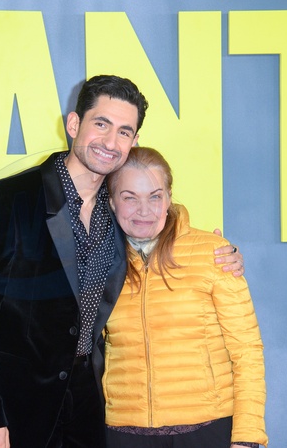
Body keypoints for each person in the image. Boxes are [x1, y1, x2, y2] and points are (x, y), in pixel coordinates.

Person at [0, 75, 244, 448]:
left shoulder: (121, 209)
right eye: (101, 124)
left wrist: (222, 253)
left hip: (91, 404)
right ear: (74, 124)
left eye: (124, 131)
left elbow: (165, 224)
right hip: (17, 407)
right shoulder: (9, 198)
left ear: (134, 141)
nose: (110, 141)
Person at [103, 147, 267, 448]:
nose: (144, 210)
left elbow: (247, 352)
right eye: (129, 197)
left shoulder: (213, 253)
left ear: (168, 198)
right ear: (112, 202)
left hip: (207, 432)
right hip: (122, 434)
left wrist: (247, 437)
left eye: (155, 196)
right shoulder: (98, 264)